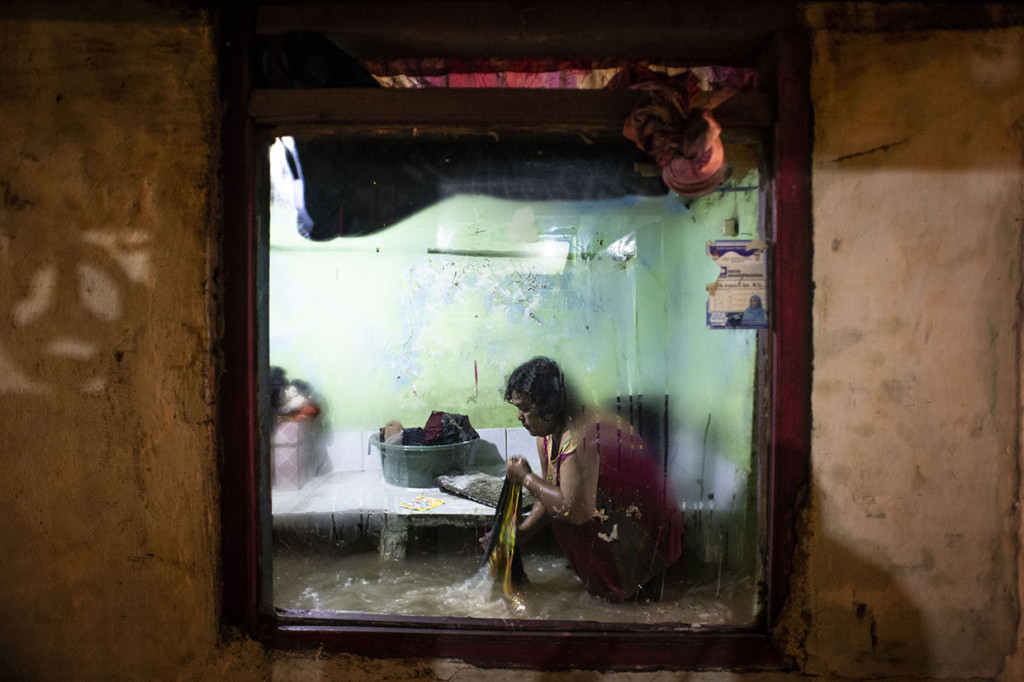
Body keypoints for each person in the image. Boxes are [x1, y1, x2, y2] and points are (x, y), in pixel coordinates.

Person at [501, 356, 682, 602]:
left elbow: (574, 509)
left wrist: (525, 478)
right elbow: (551, 493)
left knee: (638, 609)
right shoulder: (546, 434)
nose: (520, 417)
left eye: (525, 409)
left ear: (549, 407)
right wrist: (523, 533)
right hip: (611, 529)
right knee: (608, 604)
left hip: (641, 532)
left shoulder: (580, 436)